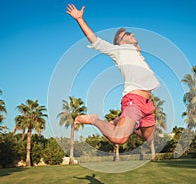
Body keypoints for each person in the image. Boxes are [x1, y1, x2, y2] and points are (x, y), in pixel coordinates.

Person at [66, 3, 160, 145]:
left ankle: (123, 122)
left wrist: (137, 49)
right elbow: (95, 41)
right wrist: (80, 19)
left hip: (148, 103)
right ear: (120, 42)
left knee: (149, 137)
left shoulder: (137, 55)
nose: (132, 34)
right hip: (134, 100)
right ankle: (94, 119)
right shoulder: (118, 51)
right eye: (127, 34)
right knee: (119, 138)